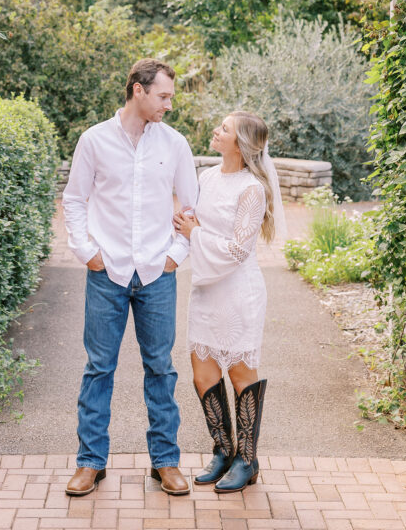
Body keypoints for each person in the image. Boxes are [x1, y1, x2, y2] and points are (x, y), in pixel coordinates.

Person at [62, 58, 199, 498]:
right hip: (108, 272)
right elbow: (75, 199)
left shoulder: (175, 144)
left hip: (158, 273)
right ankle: (90, 463)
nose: (168, 105)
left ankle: (166, 463)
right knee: (99, 368)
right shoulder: (95, 140)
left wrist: (176, 255)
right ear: (138, 91)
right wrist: (88, 253)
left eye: (171, 97)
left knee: (161, 369)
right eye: (163, 96)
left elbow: (191, 206)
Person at [173, 111, 286, 494]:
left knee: (239, 375)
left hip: (238, 291)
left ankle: (247, 459)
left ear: (239, 144)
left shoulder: (252, 188)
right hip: (206, 289)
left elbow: (239, 250)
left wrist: (196, 232)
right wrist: (187, 221)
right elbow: (196, 222)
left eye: (224, 129)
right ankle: (222, 449)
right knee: (203, 373)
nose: (216, 131)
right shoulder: (207, 178)